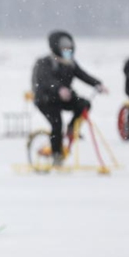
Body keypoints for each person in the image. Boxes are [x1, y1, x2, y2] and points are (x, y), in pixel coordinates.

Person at [32, 31, 107, 166]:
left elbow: (83, 75)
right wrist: (59, 88)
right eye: (64, 48)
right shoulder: (44, 63)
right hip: (46, 100)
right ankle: (56, 155)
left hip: (63, 98)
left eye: (69, 48)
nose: (67, 51)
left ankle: (72, 127)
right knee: (56, 124)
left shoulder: (70, 63)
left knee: (84, 104)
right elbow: (46, 80)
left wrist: (98, 84)